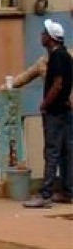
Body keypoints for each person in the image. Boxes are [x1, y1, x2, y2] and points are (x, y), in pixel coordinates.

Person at [24, 19, 73, 208]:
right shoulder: (67, 56)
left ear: (51, 38)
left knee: (51, 152)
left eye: (44, 33)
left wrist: (45, 104)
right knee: (66, 152)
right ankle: (67, 191)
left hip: (55, 112)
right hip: (66, 111)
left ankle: (45, 194)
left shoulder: (57, 57)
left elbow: (58, 83)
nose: (41, 36)